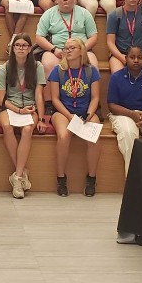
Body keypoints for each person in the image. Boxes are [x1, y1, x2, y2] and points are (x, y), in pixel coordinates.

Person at [47, 37, 103, 197]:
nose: (68, 51)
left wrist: (89, 114)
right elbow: (55, 99)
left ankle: (91, 178)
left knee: (94, 136)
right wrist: (70, 116)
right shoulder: (57, 71)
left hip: (86, 112)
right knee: (64, 136)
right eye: (65, 48)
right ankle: (61, 178)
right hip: (63, 111)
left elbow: (95, 98)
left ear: (81, 51)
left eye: (72, 48)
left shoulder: (91, 71)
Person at [0, 34, 47, 199]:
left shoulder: (37, 66)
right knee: (7, 128)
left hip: (30, 107)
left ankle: (16, 177)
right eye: (17, 45)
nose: (21, 48)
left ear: (30, 49)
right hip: (9, 106)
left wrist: (42, 118)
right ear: (12, 48)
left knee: (27, 130)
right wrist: (18, 110)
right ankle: (21, 173)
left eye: (24, 45)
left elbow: (39, 95)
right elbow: (1, 98)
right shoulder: (5, 68)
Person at [36, 0, 100, 70]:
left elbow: (93, 37)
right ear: (56, 0)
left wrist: (81, 50)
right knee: (48, 64)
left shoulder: (85, 13)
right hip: (57, 50)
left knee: (93, 66)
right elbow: (39, 37)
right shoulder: (48, 14)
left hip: (82, 50)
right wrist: (54, 50)